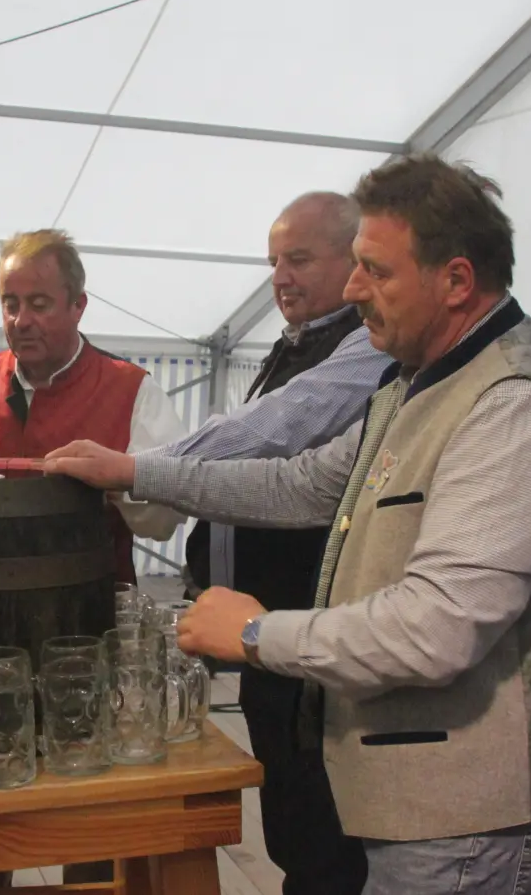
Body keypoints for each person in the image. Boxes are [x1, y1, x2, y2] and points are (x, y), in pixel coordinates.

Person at [45, 154, 531, 893]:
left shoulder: (516, 407)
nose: (354, 292)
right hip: (410, 789)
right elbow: (302, 484)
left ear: (455, 281)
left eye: (376, 272)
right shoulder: (416, 383)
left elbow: (439, 626)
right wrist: (134, 472)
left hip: (473, 810)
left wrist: (257, 634)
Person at [165, 191, 389, 895]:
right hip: (262, 636)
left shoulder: (362, 346)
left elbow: (276, 438)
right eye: (272, 262)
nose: (280, 278)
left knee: (320, 827)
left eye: (298, 259)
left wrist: (140, 470)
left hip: (307, 635)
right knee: (290, 815)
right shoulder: (297, 343)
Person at [0, 228, 186, 581]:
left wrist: (116, 479)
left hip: (88, 616)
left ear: (78, 306)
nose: (21, 321)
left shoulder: (134, 391)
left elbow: (165, 521)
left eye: (39, 304)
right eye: (10, 304)